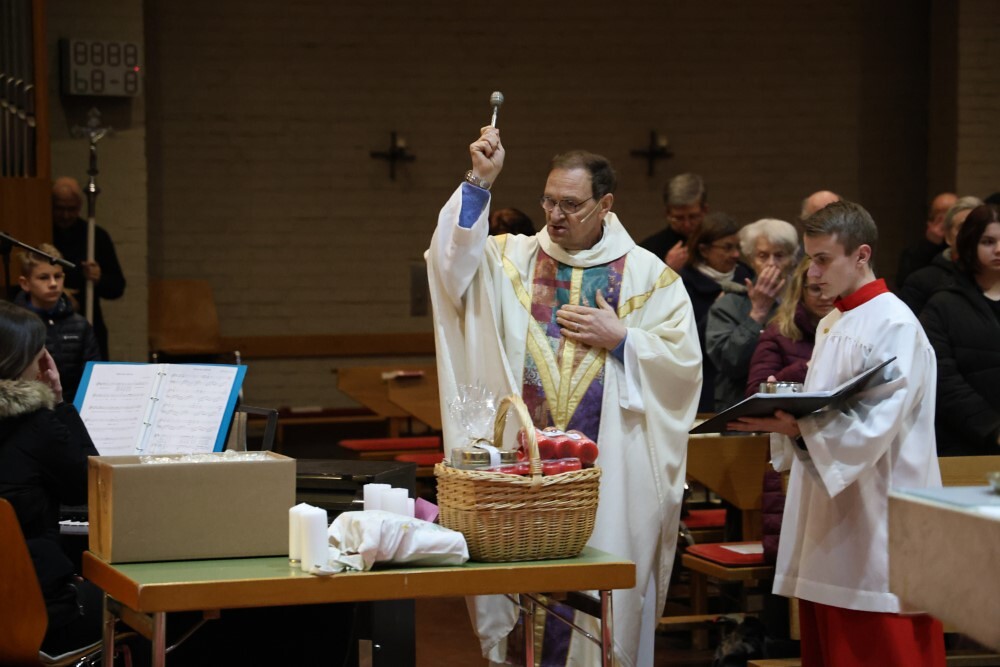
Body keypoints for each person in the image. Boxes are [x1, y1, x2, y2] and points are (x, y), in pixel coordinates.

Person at [426, 126, 702, 667]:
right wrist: (479, 182)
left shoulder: (649, 276)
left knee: (602, 607)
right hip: (521, 474)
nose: (555, 215)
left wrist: (624, 339)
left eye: (571, 204)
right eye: (549, 201)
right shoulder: (509, 261)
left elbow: (684, 368)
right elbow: (449, 265)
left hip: (610, 476)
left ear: (605, 205)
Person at [727, 200, 945, 666]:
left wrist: (799, 426)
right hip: (832, 517)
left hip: (879, 519)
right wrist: (789, 411)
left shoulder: (894, 323)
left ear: (861, 255)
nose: (812, 274)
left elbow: (876, 425)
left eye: (823, 260)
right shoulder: (834, 321)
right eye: (810, 260)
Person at [0, 300, 104, 656]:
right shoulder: (36, 426)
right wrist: (58, 402)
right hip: (34, 617)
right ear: (20, 360)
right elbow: (93, 485)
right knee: (131, 603)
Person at [919, 204, 1000, 456]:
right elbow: (943, 378)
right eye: (988, 242)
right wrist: (992, 428)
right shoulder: (943, 303)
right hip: (965, 442)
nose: (998, 249)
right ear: (969, 244)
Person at [705, 218, 798, 411]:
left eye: (779, 255)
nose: (771, 264)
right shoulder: (728, 304)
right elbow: (729, 363)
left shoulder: (806, 301)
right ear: (751, 260)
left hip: (797, 405)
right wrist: (758, 313)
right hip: (742, 408)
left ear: (792, 259)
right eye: (763, 256)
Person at [678, 212, 753, 413]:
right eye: (727, 247)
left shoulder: (748, 278)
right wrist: (716, 311)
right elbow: (682, 342)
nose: (736, 254)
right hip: (702, 385)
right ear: (704, 250)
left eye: (737, 247)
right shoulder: (682, 285)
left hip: (743, 386)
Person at [13, 244, 101, 404]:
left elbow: (94, 376)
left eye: (58, 276)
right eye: (44, 277)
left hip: (74, 406)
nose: (53, 283)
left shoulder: (80, 325)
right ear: (25, 283)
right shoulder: (15, 325)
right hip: (33, 407)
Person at [51, 176, 127, 360]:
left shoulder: (96, 236)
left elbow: (117, 287)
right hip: (50, 325)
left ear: (80, 206)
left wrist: (99, 278)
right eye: (60, 208)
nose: (65, 215)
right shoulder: (40, 231)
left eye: (71, 209)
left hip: (89, 321)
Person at [745, 258, 836, 397]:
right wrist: (807, 368)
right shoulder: (778, 333)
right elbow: (755, 393)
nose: (824, 296)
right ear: (800, 291)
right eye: (815, 289)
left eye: (830, 287)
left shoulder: (853, 327)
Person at [898, 196, 982, 315]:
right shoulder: (921, 282)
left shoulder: (992, 276)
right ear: (948, 236)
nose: (971, 233)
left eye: (978, 227)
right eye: (963, 227)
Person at [639, 172, 707, 272]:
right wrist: (668, 269)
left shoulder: (718, 244)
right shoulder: (648, 251)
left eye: (693, 217)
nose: (687, 224)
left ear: (704, 210)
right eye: (679, 218)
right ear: (667, 213)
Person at [895, 191, 957, 288]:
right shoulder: (915, 252)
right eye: (938, 213)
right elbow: (904, 283)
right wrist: (931, 243)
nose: (944, 219)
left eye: (949, 212)